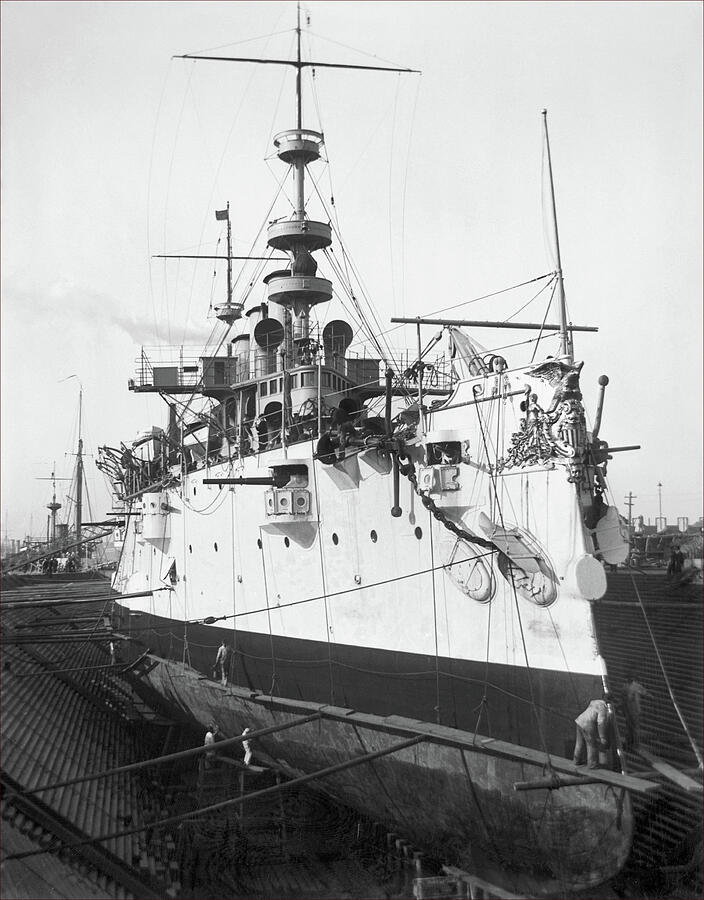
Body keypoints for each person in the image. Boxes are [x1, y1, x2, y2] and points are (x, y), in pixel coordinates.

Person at [573, 696, 611, 769]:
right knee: (591, 744)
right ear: (609, 702)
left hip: (579, 720)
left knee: (579, 743)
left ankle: (576, 761)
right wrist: (602, 737)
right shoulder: (603, 707)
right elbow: (601, 722)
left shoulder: (594, 701)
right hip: (588, 724)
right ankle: (592, 765)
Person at [623, 675, 649, 750]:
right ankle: (633, 743)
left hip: (631, 710)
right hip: (632, 710)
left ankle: (632, 743)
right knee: (632, 727)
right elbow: (645, 693)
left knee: (631, 727)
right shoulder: (633, 686)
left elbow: (624, 699)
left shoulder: (627, 686)